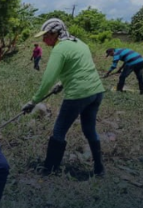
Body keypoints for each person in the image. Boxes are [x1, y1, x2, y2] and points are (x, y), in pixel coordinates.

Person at [22, 18, 105, 177]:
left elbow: (48, 79)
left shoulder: (60, 49)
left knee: (59, 131)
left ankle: (49, 171)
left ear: (55, 34)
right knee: (89, 130)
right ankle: (99, 169)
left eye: (46, 36)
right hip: (96, 92)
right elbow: (79, 67)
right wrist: (62, 83)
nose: (44, 40)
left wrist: (33, 101)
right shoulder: (79, 43)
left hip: (78, 95)